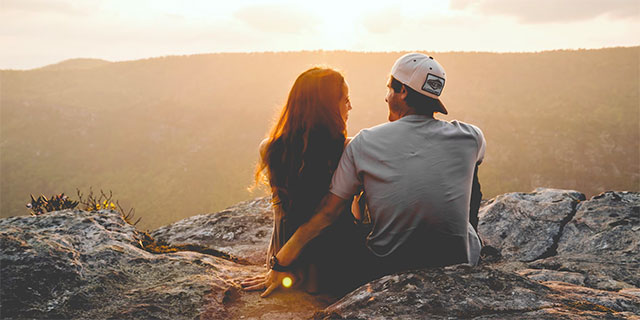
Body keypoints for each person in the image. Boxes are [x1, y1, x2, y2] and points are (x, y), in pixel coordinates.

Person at [245, 53, 486, 297]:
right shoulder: (471, 137)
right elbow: (472, 178)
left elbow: (328, 213)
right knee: (469, 174)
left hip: (384, 266)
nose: (385, 96)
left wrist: (281, 261)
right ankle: (463, 240)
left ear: (402, 91)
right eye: (346, 100)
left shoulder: (364, 143)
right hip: (458, 262)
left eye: (389, 88)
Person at [242, 67, 363, 295]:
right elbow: (329, 216)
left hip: (289, 265)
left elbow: (281, 216)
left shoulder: (269, 148)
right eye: (345, 100)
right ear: (327, 108)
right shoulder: (349, 149)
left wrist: (277, 264)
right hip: (337, 265)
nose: (350, 107)